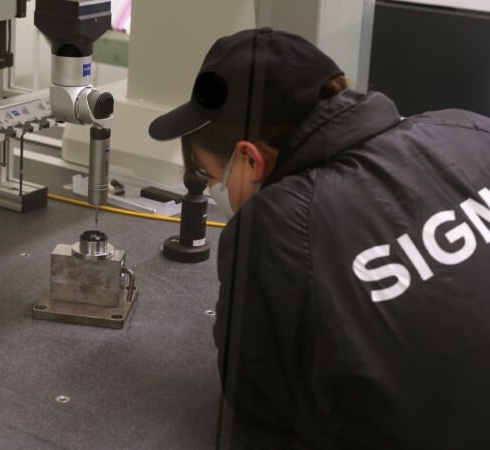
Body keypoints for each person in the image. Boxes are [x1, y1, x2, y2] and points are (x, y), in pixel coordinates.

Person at [148, 27, 490, 449]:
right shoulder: (469, 127)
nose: (214, 189)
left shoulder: (274, 228)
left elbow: (255, 395)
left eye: (211, 177)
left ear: (250, 160)